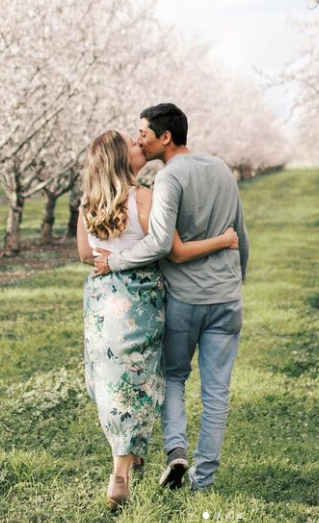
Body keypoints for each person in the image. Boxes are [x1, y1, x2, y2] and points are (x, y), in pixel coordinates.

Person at [76, 129, 239, 511]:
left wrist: (109, 255)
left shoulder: (88, 202)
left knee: (111, 378)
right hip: (141, 298)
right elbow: (170, 248)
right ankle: (122, 466)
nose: (140, 147)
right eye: (132, 146)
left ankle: (126, 460)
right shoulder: (145, 197)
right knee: (146, 379)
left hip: (101, 298)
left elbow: (85, 253)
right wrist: (224, 240)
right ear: (120, 160)